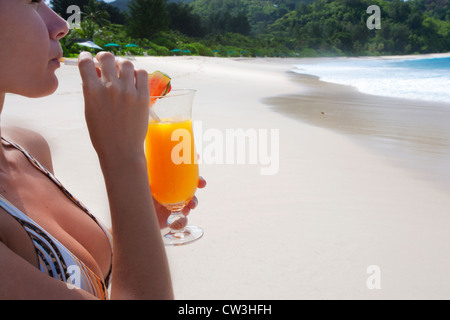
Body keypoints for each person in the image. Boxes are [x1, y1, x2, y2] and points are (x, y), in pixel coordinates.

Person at [0, 0, 205, 300]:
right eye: (32, 2)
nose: (61, 25)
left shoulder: (26, 147)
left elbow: (84, 274)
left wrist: (138, 211)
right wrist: (123, 158)